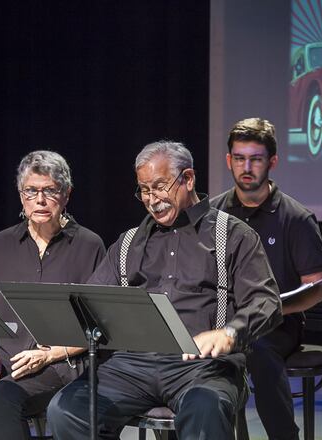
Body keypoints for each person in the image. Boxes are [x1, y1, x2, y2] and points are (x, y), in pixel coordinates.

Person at [47, 141, 283, 440]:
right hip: (132, 366)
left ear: (188, 179)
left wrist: (230, 333)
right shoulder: (129, 242)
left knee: (205, 407)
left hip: (203, 367)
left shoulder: (233, 235)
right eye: (144, 190)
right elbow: (91, 302)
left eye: (159, 186)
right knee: (67, 409)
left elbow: (267, 302)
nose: (151, 199)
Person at [0, 150, 106, 440]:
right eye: (31, 191)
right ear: (21, 196)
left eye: (50, 190)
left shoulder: (89, 245)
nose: (41, 200)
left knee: (3, 399)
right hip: (5, 354)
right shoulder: (1, 243)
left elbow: (97, 327)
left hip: (60, 360)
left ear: (67, 194)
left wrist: (49, 355)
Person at [211, 118, 322, 440]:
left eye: (256, 159)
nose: (246, 167)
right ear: (229, 161)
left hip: (277, 323)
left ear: (272, 162)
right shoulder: (213, 213)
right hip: (222, 321)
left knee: (258, 348)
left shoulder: (295, 217)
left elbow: (317, 289)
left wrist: (269, 310)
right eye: (239, 158)